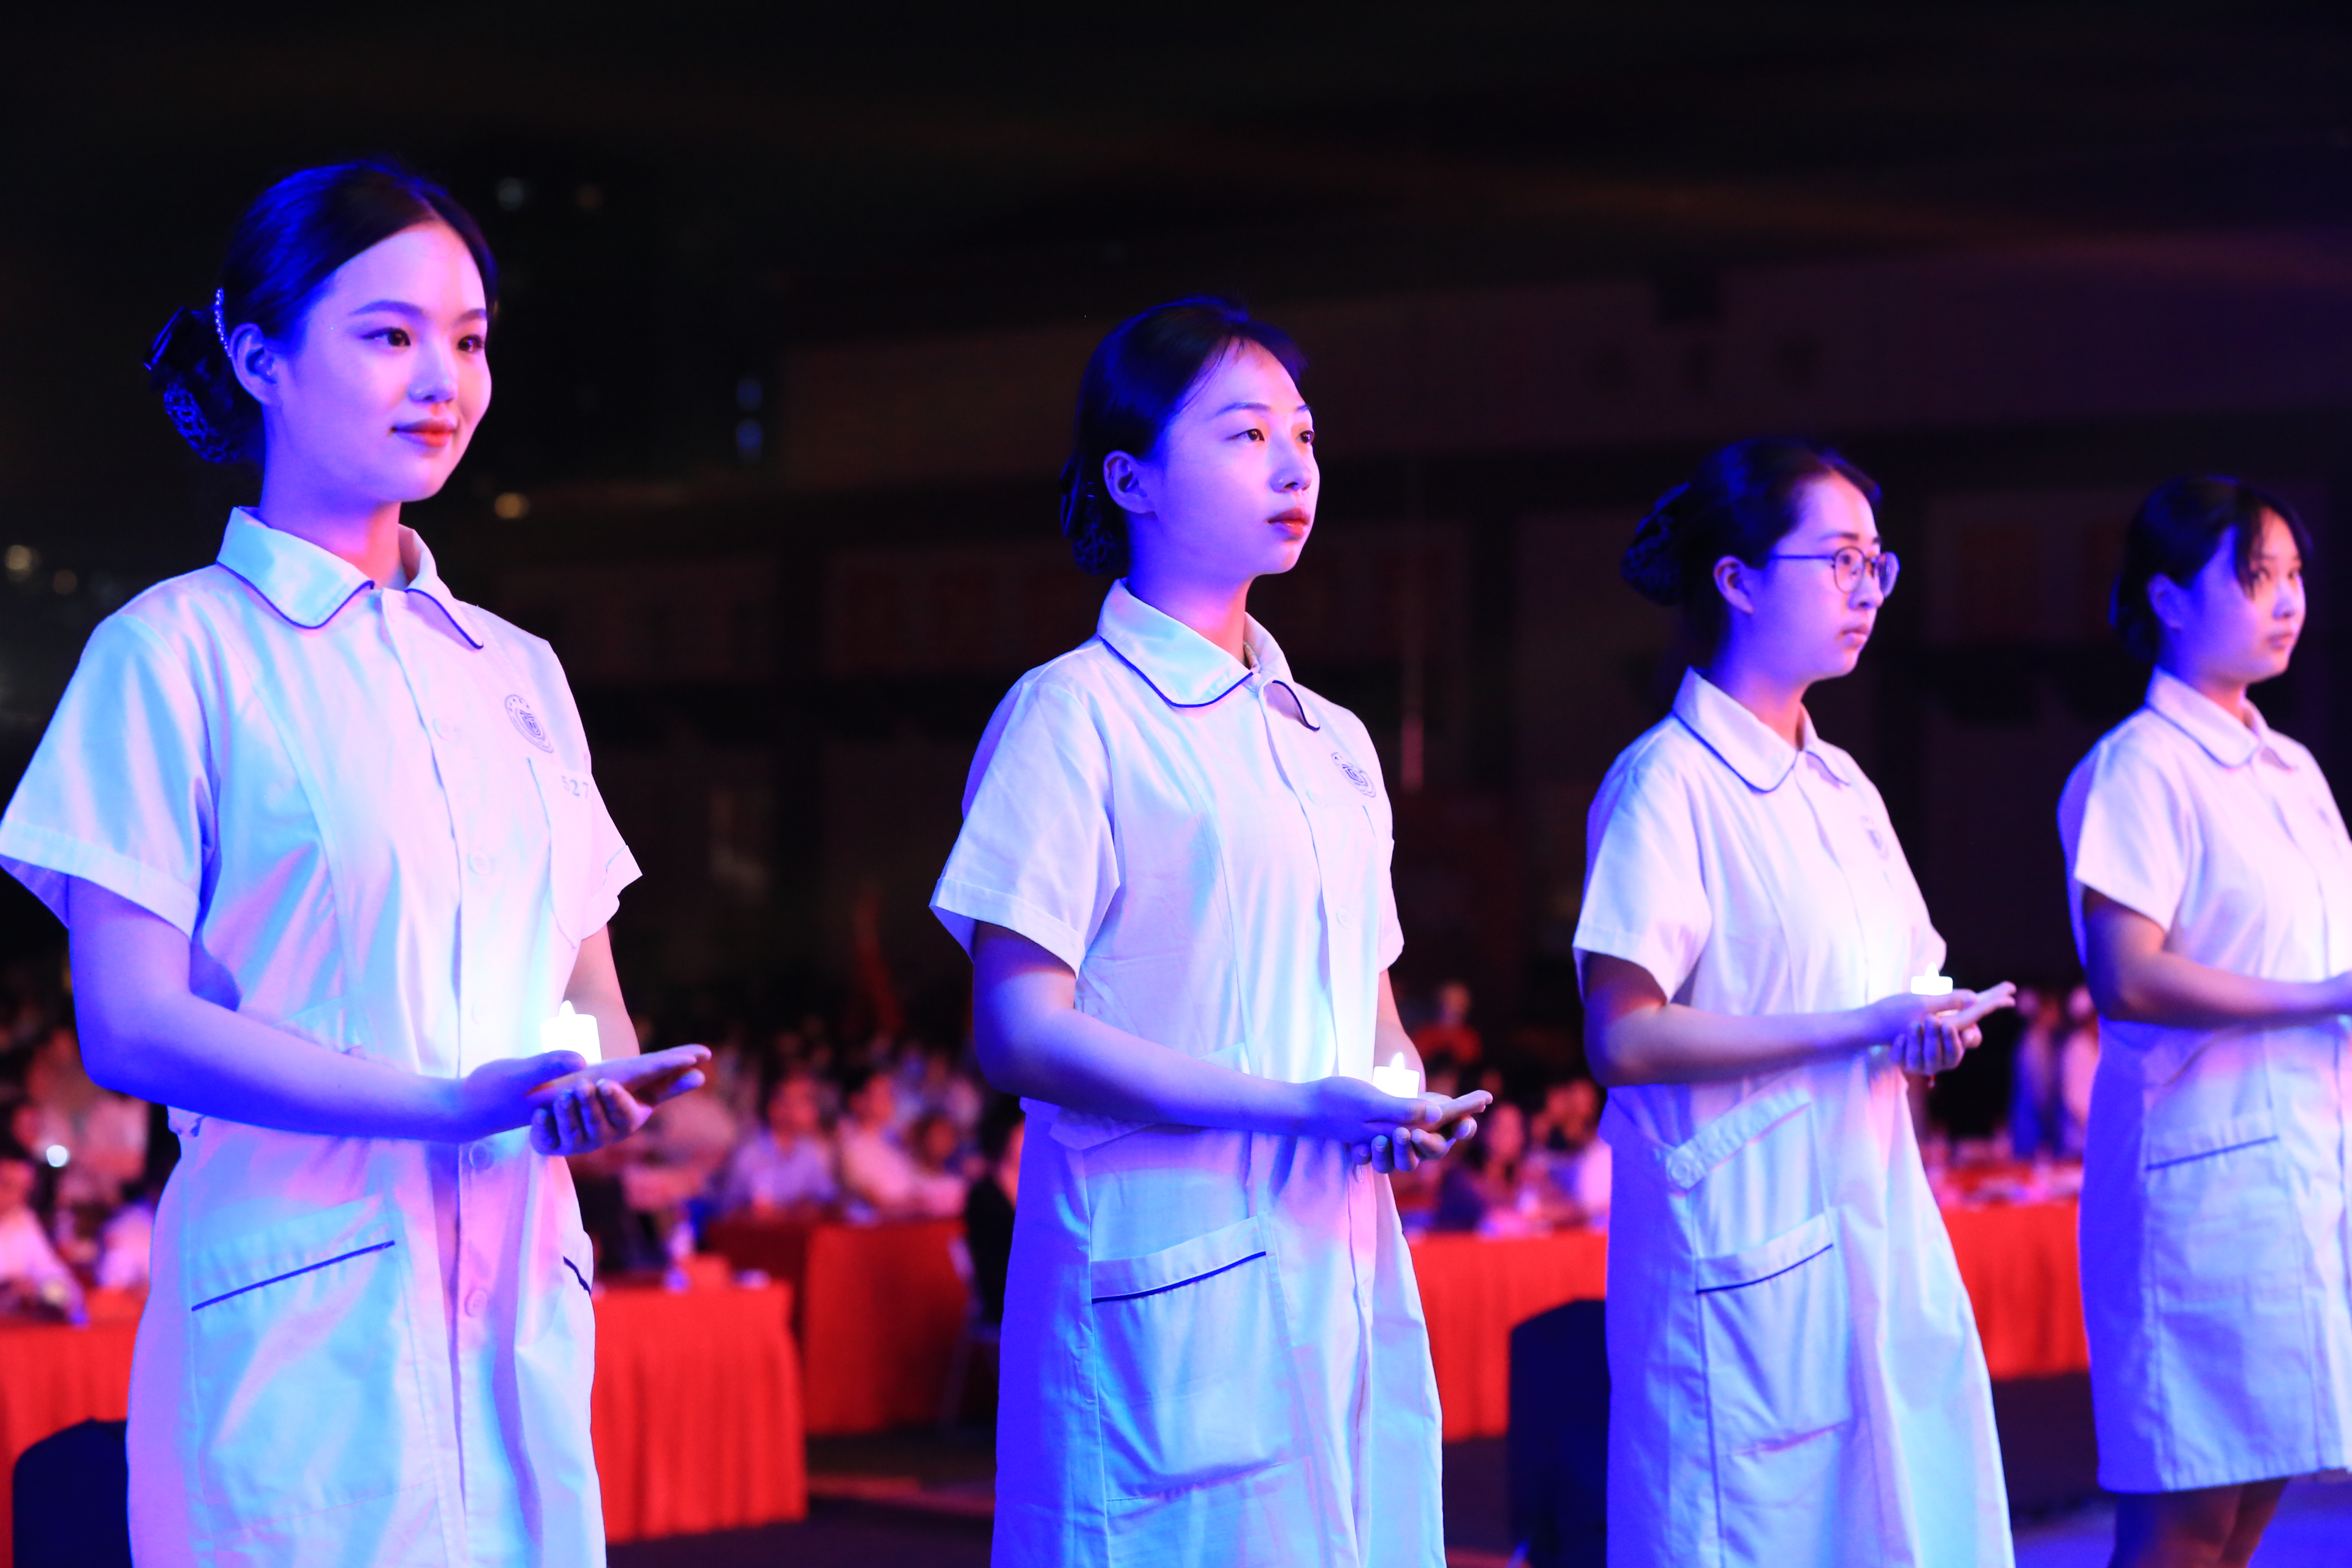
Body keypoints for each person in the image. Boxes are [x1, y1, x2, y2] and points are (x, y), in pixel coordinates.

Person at [0, 163, 709, 1566]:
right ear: (258, 356)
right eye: (389, 334)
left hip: (518, 1299)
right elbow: (130, 1022)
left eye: (469, 338)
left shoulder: (518, 671)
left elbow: (587, 990)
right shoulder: (172, 651)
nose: (442, 378)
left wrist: (602, 1085)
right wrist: (440, 1107)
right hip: (296, 1316)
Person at [932, 298, 1487, 1567]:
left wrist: (1400, 1099)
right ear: (1130, 478)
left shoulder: (1334, 739)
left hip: (1336, 1251)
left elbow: (1374, 1008)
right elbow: (1019, 1030)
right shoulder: (1073, 714)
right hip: (1162, 1270)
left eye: (1304, 434)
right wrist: (1293, 1107)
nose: (1296, 467)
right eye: (1247, 434)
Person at [1576, 438, 2015, 1566]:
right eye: (1840, 560)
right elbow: (1623, 1034)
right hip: (1741, 1243)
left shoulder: (1844, 784)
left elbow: (1900, 990)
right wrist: (1858, 1028)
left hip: (1872, 1210)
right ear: (1737, 579)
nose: (1867, 590)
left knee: (1896, 1523)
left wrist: (1926, 1035)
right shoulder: (1666, 782)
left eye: (1878, 563)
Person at [2058, 475, 2351, 1568]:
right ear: (2169, 598)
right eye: (2256, 575)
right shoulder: (2139, 766)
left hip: (2302, 1167)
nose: (2288, 601)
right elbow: (2127, 974)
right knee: (2186, 1519)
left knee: (2256, 1497)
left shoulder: (2292, 767)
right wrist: (2323, 998)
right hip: (2197, 1183)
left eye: (2295, 576)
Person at [716, 1063, 839, 1215]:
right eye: (806, 1100)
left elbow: (827, 1200)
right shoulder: (750, 1154)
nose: (814, 1109)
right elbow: (737, 1213)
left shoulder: (808, 1151)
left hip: (795, 1230)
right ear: (777, 1107)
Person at [962, 1096, 1023, 1324]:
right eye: (1023, 1131)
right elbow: (990, 1261)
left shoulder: (1037, 1189)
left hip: (1033, 1283)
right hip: (1002, 1292)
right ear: (1006, 1135)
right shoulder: (983, 1195)